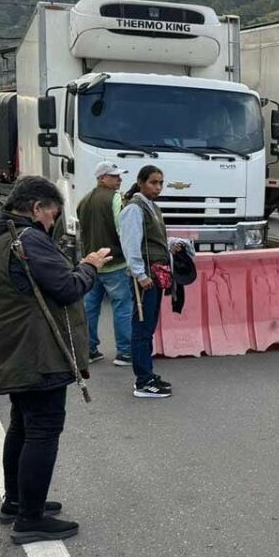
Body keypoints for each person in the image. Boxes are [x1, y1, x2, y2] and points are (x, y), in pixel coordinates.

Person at [0, 176, 110, 544]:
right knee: (43, 431)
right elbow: (67, 287)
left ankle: (17, 502)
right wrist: (90, 265)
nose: (53, 223)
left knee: (22, 425)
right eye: (53, 215)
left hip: (10, 349)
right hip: (36, 354)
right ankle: (30, 518)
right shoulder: (30, 238)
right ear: (36, 208)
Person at [119, 165, 177, 399]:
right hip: (145, 277)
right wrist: (140, 274)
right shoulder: (134, 208)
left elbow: (153, 240)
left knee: (149, 327)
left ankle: (148, 374)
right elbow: (131, 244)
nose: (158, 187)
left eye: (161, 183)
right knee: (142, 328)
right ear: (141, 182)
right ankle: (142, 380)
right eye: (154, 182)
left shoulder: (152, 206)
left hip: (155, 274)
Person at [79, 161, 134, 367]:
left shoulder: (84, 201)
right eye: (114, 176)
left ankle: (89, 349)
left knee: (90, 308)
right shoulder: (116, 199)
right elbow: (123, 230)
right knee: (123, 306)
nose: (119, 179)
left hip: (91, 263)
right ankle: (125, 352)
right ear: (102, 178)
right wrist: (132, 259)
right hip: (115, 261)